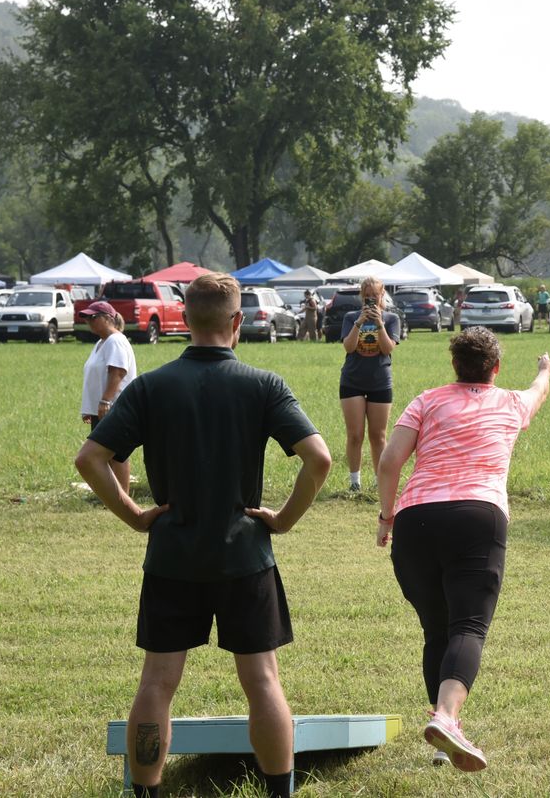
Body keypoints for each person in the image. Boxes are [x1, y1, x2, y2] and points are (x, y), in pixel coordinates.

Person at [75, 273, 332, 798]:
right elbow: (320, 459)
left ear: (185, 321)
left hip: (172, 556)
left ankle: (143, 791)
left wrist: (134, 514)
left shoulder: (150, 386)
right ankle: (278, 792)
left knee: (157, 683)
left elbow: (91, 459)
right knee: (262, 682)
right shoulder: (264, 384)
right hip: (245, 555)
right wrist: (282, 520)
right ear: (237, 322)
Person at [376, 328, 550, 772]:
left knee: (436, 631)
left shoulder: (426, 400)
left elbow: (389, 461)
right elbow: (539, 391)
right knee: (468, 628)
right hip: (478, 516)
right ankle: (447, 717)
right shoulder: (511, 403)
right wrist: (545, 369)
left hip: (416, 520)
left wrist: (387, 517)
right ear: (495, 369)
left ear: (454, 366)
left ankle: (445, 738)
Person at [339, 276, 401, 492]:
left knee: (378, 435)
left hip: (380, 383)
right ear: (361, 297)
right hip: (352, 381)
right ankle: (354, 482)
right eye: (367, 297)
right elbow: (348, 347)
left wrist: (379, 324)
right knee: (355, 434)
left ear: (382, 295)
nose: (371, 300)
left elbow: (387, 349)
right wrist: (359, 322)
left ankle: (378, 481)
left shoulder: (392, 318)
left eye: (374, 296)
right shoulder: (351, 317)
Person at [79, 300, 138, 490]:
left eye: (93, 317)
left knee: (115, 454)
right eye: (87, 318)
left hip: (113, 406)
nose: (89, 321)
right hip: (102, 408)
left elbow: (117, 372)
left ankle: (123, 496)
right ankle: (113, 496)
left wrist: (105, 401)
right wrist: (91, 407)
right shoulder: (101, 342)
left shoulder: (116, 341)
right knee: (105, 453)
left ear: (107, 318)